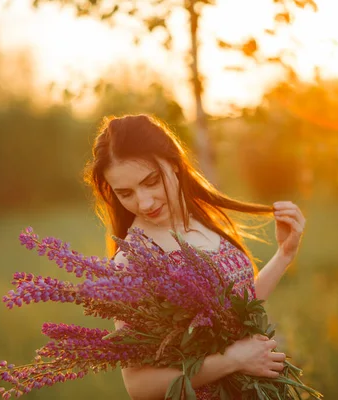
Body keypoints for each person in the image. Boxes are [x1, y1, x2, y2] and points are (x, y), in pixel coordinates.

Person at [84, 114, 306, 400]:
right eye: (126, 193)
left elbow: (239, 307)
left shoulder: (203, 220)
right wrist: (233, 361)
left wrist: (284, 255)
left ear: (174, 164)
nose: (144, 202)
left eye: (151, 181)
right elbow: (138, 385)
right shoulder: (134, 261)